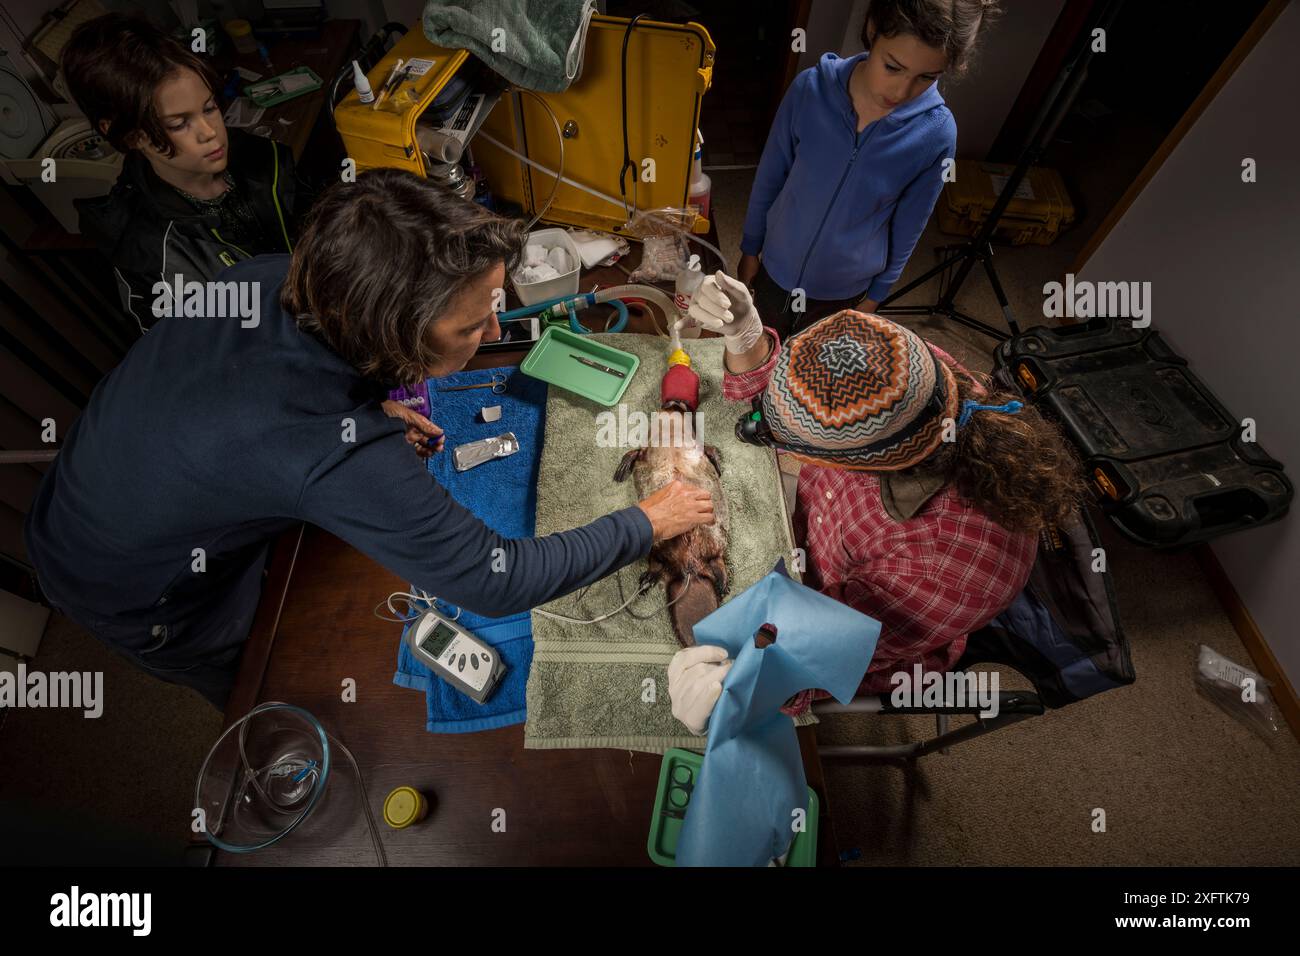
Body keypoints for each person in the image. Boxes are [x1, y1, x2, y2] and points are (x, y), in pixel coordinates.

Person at [24, 169, 714, 708]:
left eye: (492, 310)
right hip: (124, 582)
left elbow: (258, 394)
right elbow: (495, 579)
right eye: (471, 327)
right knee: (270, 689)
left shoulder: (269, 277)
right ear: (393, 332)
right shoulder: (318, 445)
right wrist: (646, 520)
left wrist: (375, 406)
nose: (496, 335)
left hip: (92, 481)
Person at [667, 273, 1084, 734]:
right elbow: (805, 395)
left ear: (862, 465)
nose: (759, 428)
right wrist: (748, 337)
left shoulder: (944, 568)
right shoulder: (905, 370)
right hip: (824, 533)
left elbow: (819, 652)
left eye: (786, 438)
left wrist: (740, 682)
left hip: (867, 624)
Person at [737, 0, 999, 338]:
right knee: (759, 350)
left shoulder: (937, 134)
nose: (901, 91)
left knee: (813, 374)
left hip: (845, 290)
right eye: (892, 67)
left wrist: (876, 297)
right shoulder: (809, 90)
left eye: (926, 78)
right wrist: (750, 247)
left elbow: (910, 225)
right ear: (873, 29)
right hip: (775, 265)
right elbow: (770, 176)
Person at [61, 13, 300, 332]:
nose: (210, 132)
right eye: (178, 124)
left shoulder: (261, 156)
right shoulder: (149, 256)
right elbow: (199, 360)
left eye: (210, 107)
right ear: (129, 135)